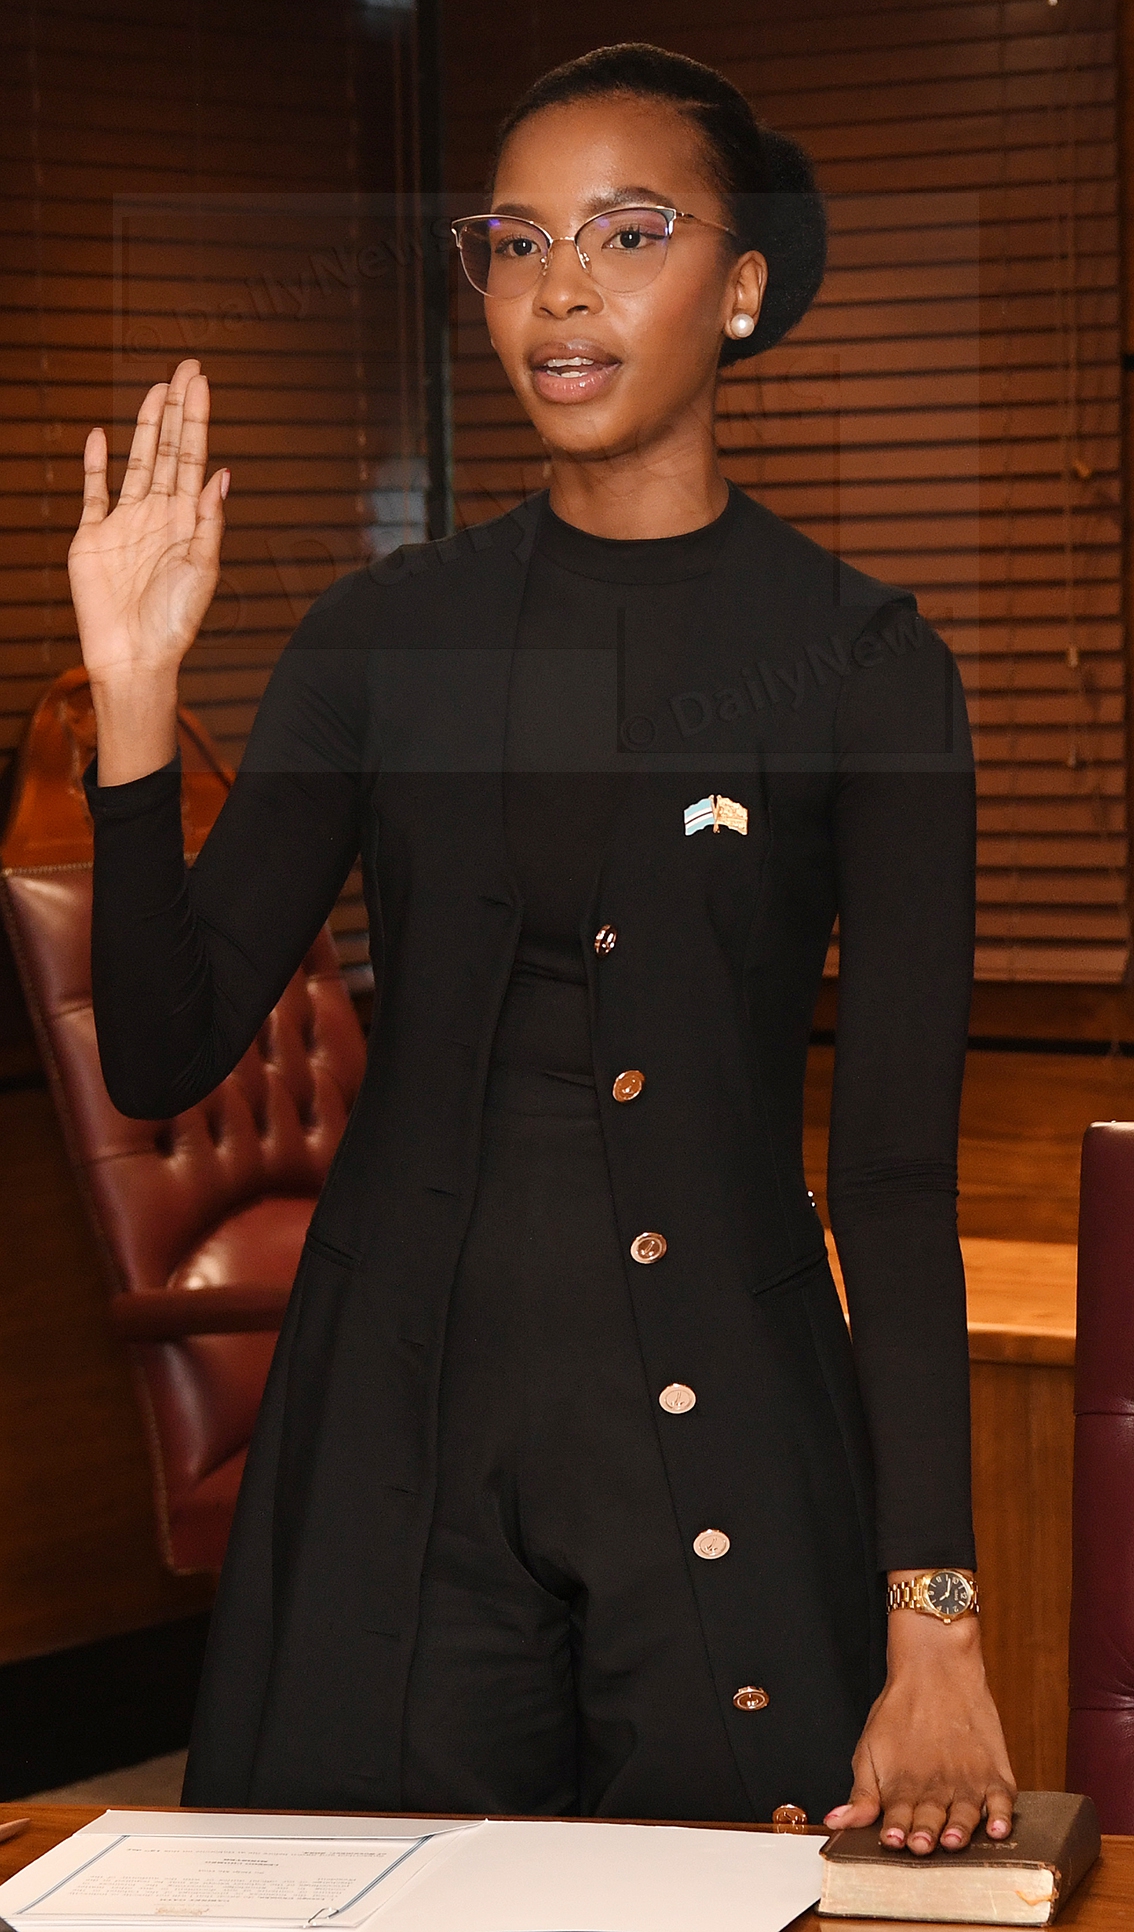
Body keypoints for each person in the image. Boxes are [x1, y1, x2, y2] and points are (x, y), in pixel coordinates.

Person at [69, 42, 1015, 1849]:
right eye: (513, 242)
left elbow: (894, 1182)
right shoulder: (382, 641)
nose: (558, 289)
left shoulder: (861, 663)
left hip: (727, 1456)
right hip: (393, 1464)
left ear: (740, 291)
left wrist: (937, 1619)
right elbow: (163, 1050)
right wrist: (134, 696)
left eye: (627, 234)